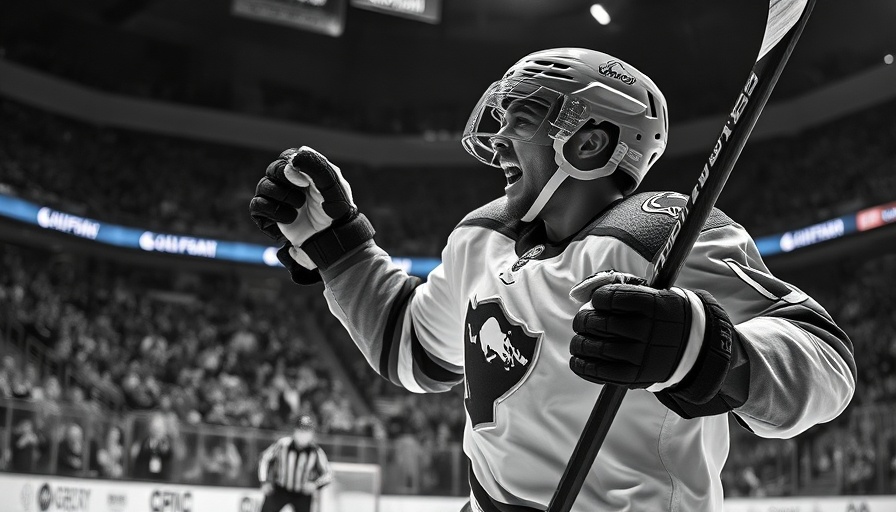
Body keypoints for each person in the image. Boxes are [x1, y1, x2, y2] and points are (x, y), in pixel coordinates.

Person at [249, 48, 856, 511]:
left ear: (589, 143)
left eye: (523, 119)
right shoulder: (480, 238)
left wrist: (704, 349)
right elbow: (411, 349)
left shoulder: (659, 233)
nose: (497, 138)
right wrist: (338, 250)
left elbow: (828, 364)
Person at [257, 416, 333, 512]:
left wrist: (315, 485)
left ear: (312, 434)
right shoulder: (282, 444)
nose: (303, 435)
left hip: (302, 494)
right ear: (295, 431)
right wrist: (264, 481)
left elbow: (328, 474)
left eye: (307, 431)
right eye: (301, 430)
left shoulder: (316, 451)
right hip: (280, 489)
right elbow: (265, 459)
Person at [131, 414, 174, 481]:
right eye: (155, 428)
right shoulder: (144, 442)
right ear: (150, 428)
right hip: (144, 479)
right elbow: (135, 457)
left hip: (162, 481)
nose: (157, 431)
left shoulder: (167, 444)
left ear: (164, 429)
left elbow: (172, 456)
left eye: (159, 428)